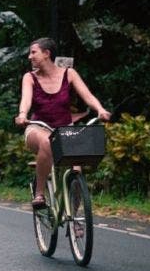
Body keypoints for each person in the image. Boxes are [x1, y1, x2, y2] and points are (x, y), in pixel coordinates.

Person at [14, 37, 110, 208]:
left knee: (76, 168)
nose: (30, 57)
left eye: (33, 52)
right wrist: (22, 114)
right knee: (47, 142)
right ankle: (40, 194)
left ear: (46, 54)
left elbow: (87, 96)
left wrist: (100, 109)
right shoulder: (29, 77)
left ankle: (74, 217)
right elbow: (26, 100)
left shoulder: (69, 74)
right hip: (38, 127)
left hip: (65, 129)